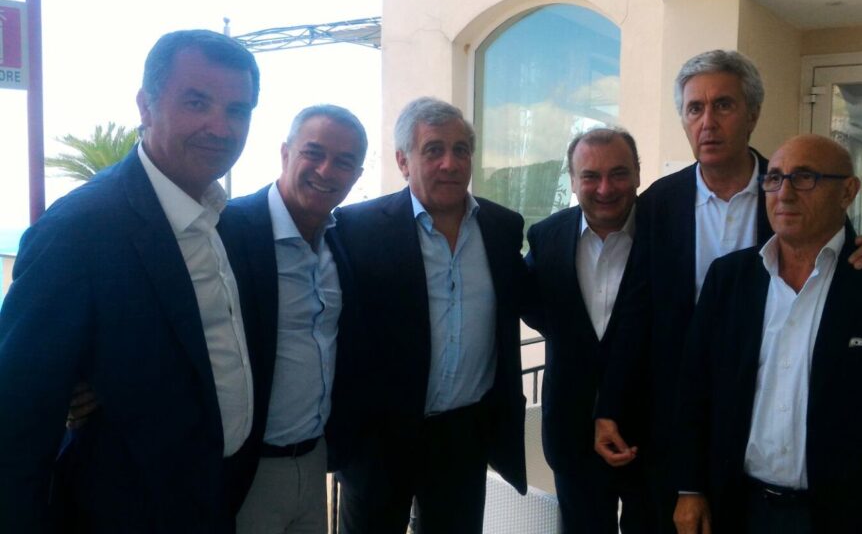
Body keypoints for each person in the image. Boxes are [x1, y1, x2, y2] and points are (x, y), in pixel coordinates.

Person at [594, 50, 862, 532]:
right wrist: (611, 405)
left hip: (763, 418)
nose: (707, 122)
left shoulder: (789, 192)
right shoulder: (658, 203)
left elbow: (835, 256)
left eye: (723, 105)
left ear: (752, 114)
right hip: (676, 417)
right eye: (694, 108)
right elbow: (636, 311)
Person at [0, 29, 260, 533]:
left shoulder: (219, 219)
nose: (220, 127)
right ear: (145, 106)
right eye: (197, 103)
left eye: (238, 110)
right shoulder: (79, 230)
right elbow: (17, 426)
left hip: (213, 501)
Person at [673, 134, 862, 533]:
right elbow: (695, 390)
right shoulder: (729, 279)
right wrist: (690, 488)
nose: (784, 193)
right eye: (774, 178)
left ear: (848, 192)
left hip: (844, 517)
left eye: (804, 178)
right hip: (737, 508)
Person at [331, 97, 527, 534]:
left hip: (464, 437)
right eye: (433, 150)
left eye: (461, 150)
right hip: (379, 441)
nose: (449, 163)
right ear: (403, 161)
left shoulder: (502, 228)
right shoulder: (357, 228)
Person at [219, 105, 367, 534]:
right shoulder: (227, 229)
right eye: (313, 153)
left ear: (356, 175)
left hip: (315, 460)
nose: (326, 170)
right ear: (285, 153)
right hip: (246, 470)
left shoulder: (341, 240)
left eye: (343, 162)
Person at [523, 126, 653, 533]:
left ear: (637, 174)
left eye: (618, 173)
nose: (604, 188)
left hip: (651, 436)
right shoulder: (546, 237)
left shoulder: (667, 233)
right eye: (590, 176)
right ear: (573, 180)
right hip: (572, 433)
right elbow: (533, 307)